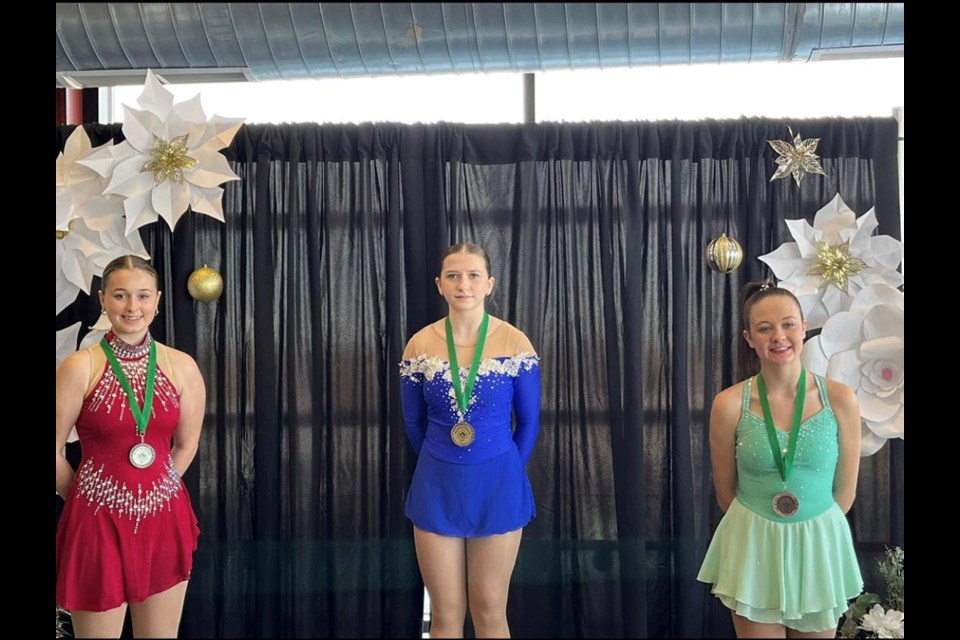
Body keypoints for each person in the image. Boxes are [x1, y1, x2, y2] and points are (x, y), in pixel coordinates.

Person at [697, 280, 864, 638]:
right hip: (753, 541)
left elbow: (845, 494)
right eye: (764, 327)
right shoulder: (728, 405)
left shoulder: (841, 399)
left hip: (819, 541)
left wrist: (808, 526)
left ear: (804, 328)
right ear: (749, 337)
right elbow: (726, 494)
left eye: (788, 323)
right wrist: (764, 528)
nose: (779, 336)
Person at [56, 255, 205, 638]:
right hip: (96, 522)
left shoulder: (182, 366)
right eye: (121, 295)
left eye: (142, 296)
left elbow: (186, 446)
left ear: (156, 301)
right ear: (103, 299)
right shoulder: (80, 366)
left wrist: (155, 488)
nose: (132, 307)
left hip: (163, 518)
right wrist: (83, 495)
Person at [400, 243, 541, 638]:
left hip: (498, 484)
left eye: (473, 275)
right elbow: (413, 423)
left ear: (489, 284)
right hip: (436, 485)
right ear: (439, 285)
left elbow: (528, 422)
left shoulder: (516, 342)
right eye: (454, 276)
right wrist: (439, 460)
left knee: (490, 608)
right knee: (445, 613)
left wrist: (507, 468)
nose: (464, 285)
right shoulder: (419, 344)